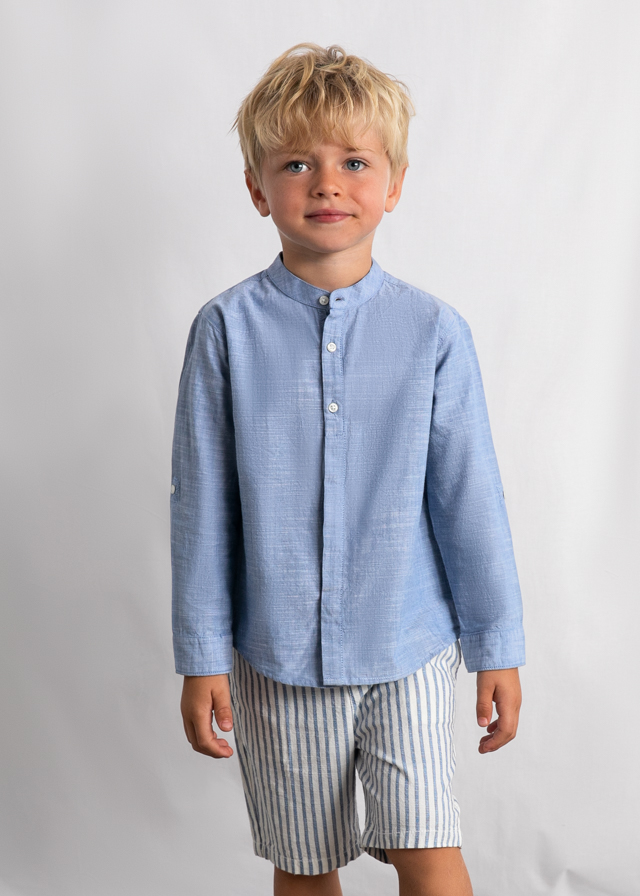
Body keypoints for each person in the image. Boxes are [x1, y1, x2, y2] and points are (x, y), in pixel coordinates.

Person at [170, 42, 525, 896]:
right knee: (305, 864)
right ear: (257, 188)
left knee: (429, 850)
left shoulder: (435, 333)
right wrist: (200, 657)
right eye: (298, 163)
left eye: (354, 162)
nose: (327, 184)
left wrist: (497, 647)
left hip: (409, 647)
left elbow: (470, 500)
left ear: (393, 184)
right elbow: (202, 509)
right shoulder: (224, 332)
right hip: (277, 658)